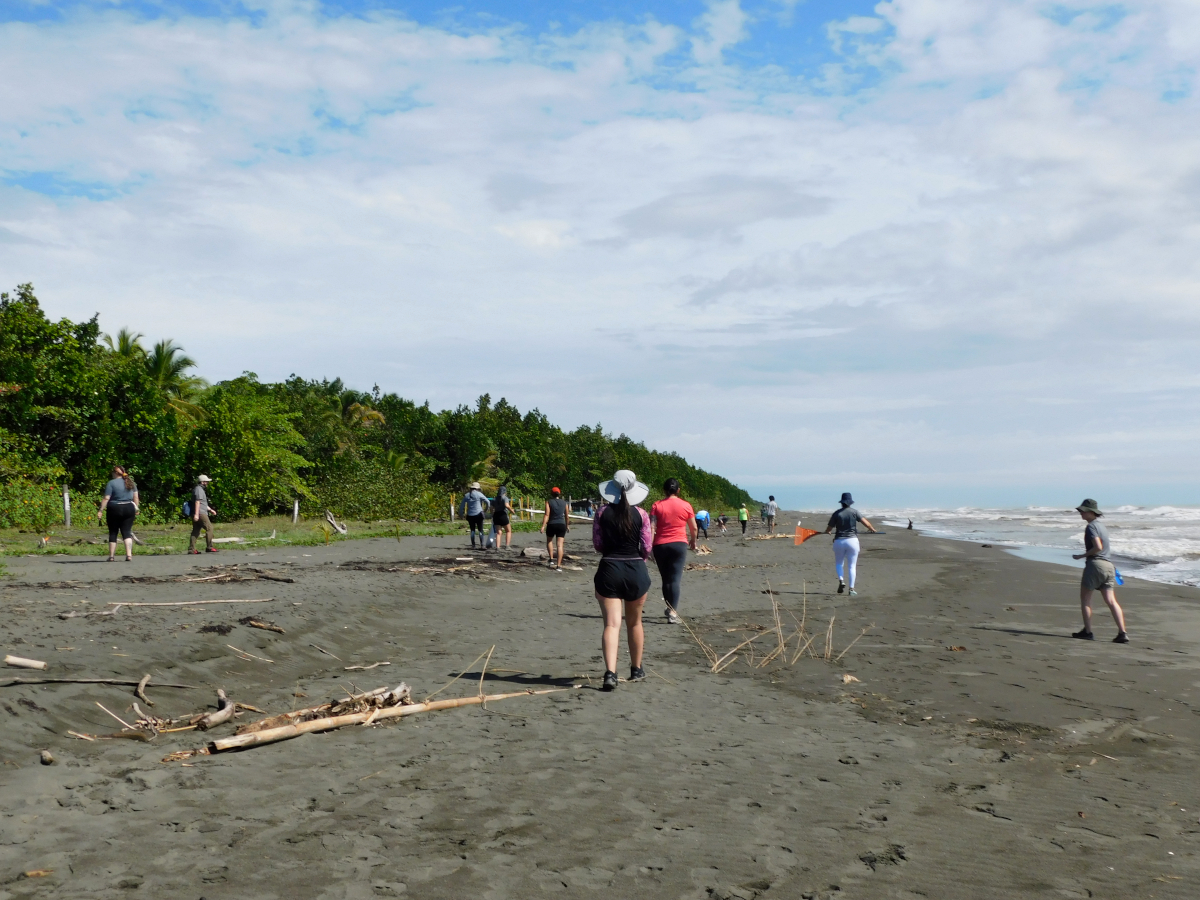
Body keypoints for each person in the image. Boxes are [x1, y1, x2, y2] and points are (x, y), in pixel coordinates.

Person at [593, 469, 653, 690]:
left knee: (611, 624)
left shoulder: (601, 513)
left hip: (609, 568)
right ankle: (636, 669)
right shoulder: (642, 515)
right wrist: (639, 561)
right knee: (635, 622)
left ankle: (610, 673)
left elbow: (598, 544)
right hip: (635, 568)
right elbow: (647, 546)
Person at [1071, 499, 1128, 643]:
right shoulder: (1102, 527)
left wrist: (1081, 556)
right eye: (1080, 511)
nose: (1081, 513)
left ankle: (1088, 632)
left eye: (1083, 511)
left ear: (1092, 512)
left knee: (1085, 600)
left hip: (1095, 564)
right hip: (1109, 566)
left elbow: (1098, 547)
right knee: (1111, 601)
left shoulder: (1091, 527)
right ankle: (1122, 633)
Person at [650, 478, 697, 624]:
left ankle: (669, 607)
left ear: (664, 490)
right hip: (679, 544)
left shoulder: (656, 505)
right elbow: (694, 527)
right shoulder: (686, 505)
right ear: (678, 490)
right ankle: (673, 613)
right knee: (675, 578)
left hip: (660, 545)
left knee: (666, 579)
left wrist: (649, 546)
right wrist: (693, 541)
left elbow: (651, 527)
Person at [823, 492, 877, 596]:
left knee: (839, 563)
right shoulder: (855, 512)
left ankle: (841, 580)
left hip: (839, 541)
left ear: (841, 503)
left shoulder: (837, 513)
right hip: (852, 541)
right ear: (850, 503)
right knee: (852, 566)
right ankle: (851, 589)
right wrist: (872, 529)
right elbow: (866, 523)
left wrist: (828, 531)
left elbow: (829, 528)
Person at [97, 466, 139, 562]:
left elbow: (106, 498)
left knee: (113, 532)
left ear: (115, 473)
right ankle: (129, 555)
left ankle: (111, 556)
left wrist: (101, 510)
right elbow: (136, 497)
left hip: (114, 508)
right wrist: (136, 508)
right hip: (129, 508)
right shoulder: (131, 482)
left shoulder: (111, 483)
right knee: (126, 531)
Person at [540, 487, 569, 571]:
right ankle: (559, 566)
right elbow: (567, 516)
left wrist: (543, 526)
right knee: (560, 545)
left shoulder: (549, 502)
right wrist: (567, 525)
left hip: (552, 524)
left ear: (551, 494)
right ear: (559, 494)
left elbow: (547, 515)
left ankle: (551, 559)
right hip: (561, 524)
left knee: (549, 541)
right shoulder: (564, 503)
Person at [189, 474, 219, 554]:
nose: (207, 483)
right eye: (206, 481)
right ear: (202, 482)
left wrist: (210, 510)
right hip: (200, 513)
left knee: (196, 531)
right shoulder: (199, 489)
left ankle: (191, 549)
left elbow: (203, 503)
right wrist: (196, 514)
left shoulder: (199, 489)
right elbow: (198, 502)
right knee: (209, 528)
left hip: (199, 512)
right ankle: (210, 547)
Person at [461, 482, 490, 549]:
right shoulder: (479, 494)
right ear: (478, 488)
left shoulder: (467, 495)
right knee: (480, 530)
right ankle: (482, 545)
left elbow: (461, 506)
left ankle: (473, 545)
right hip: (479, 513)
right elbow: (488, 502)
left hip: (470, 515)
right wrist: (486, 509)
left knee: (472, 530)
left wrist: (461, 514)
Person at [491, 485, 513, 550]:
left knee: (499, 532)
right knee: (508, 531)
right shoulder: (505, 498)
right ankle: (507, 546)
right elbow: (507, 505)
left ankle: (498, 547)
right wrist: (512, 511)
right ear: (505, 492)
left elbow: (491, 507)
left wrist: (492, 514)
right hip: (503, 514)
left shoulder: (494, 499)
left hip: (496, 515)